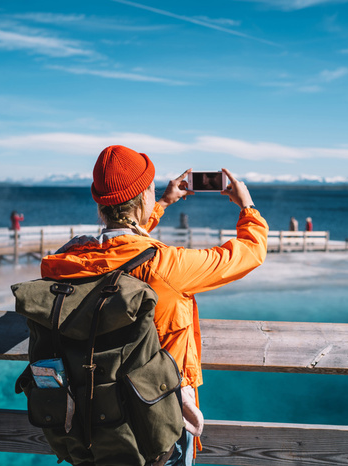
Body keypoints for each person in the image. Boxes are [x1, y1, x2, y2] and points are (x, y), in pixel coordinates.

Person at [40, 145, 269, 465]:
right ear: (144, 196)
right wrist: (248, 207)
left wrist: (161, 203)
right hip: (158, 420)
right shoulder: (168, 266)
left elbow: (123, 247)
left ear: (100, 202)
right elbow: (247, 253)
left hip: (92, 418)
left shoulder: (66, 263)